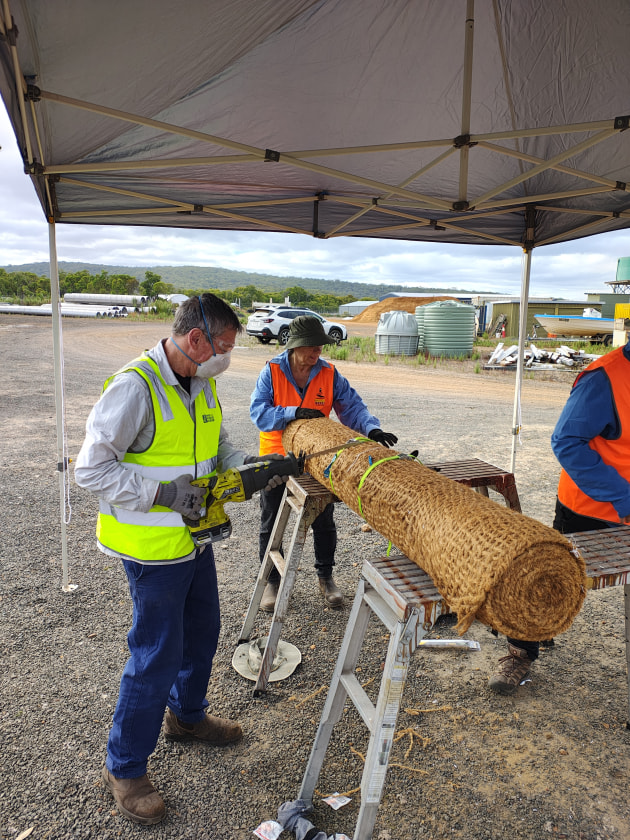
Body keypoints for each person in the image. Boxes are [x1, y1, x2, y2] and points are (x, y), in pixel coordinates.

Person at [75, 293, 286, 824]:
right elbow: (91, 471)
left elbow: (217, 450)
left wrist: (253, 466)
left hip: (193, 540)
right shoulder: (135, 388)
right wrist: (166, 495)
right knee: (156, 654)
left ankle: (187, 718)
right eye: (225, 347)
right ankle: (124, 768)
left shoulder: (201, 382)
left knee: (203, 633)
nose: (227, 358)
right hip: (151, 548)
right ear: (197, 339)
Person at [489, 337, 630, 695]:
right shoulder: (605, 378)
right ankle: (521, 651)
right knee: (544, 582)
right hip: (592, 510)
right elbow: (567, 441)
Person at [250, 314, 398, 612]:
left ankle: (326, 577)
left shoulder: (329, 373)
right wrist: (292, 413)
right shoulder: (273, 370)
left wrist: (371, 429)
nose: (317, 352)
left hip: (317, 460)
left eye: (320, 346)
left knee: (324, 520)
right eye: (311, 347)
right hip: (277, 455)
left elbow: (352, 406)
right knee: (271, 521)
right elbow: (259, 412)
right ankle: (272, 582)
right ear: (294, 346)